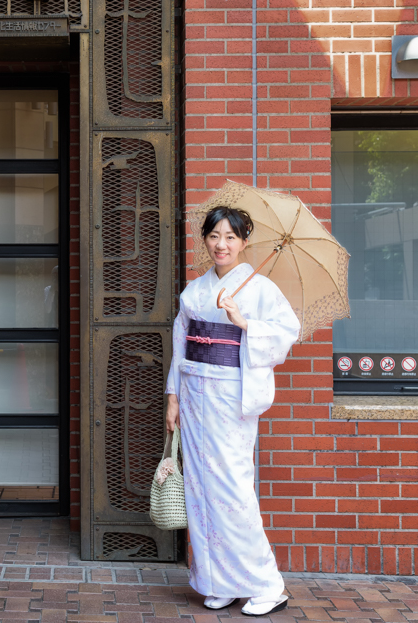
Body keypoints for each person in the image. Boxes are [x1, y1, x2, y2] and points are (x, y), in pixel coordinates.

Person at [164, 206, 300, 616]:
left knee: (232, 489)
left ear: (244, 242)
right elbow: (180, 345)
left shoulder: (260, 289)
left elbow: (286, 331)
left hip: (230, 398)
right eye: (214, 236)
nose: (221, 245)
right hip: (193, 395)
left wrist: (245, 324)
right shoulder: (194, 291)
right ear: (205, 240)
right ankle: (218, 580)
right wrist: (172, 398)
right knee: (201, 489)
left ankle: (266, 584)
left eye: (230, 237)